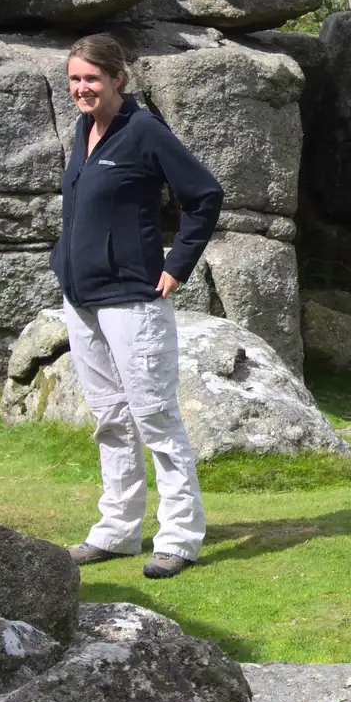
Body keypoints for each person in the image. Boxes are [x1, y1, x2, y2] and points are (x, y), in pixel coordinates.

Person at [50, 33, 223, 579]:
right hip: (82, 299)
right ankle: (117, 531)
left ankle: (178, 537)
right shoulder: (84, 129)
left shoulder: (145, 131)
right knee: (109, 418)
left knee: (155, 416)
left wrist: (178, 263)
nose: (82, 88)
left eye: (92, 79)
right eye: (75, 79)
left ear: (118, 79)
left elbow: (205, 195)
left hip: (133, 299)